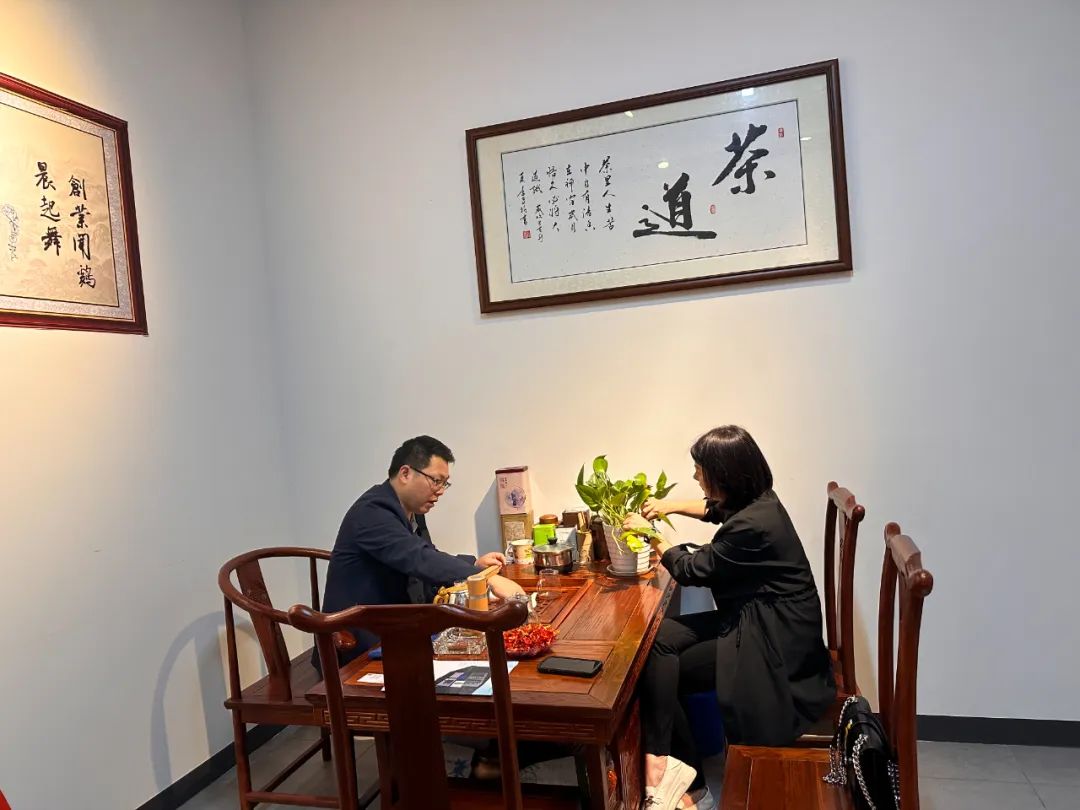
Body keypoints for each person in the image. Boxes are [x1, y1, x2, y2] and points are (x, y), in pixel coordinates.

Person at [625, 425, 836, 810]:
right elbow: (713, 511)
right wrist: (668, 506)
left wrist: (652, 536)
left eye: (700, 470)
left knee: (658, 668)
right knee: (657, 646)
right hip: (760, 619)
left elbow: (690, 569)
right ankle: (675, 772)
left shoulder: (753, 525)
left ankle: (677, 776)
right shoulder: (759, 503)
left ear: (725, 475)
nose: (695, 476)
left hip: (775, 644)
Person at [318, 435, 523, 669]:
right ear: (405, 473)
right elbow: (418, 558)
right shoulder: (371, 512)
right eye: (436, 481)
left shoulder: (411, 510)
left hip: (396, 627)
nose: (441, 490)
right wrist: (485, 578)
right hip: (358, 642)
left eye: (444, 483)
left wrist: (474, 564)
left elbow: (426, 553)